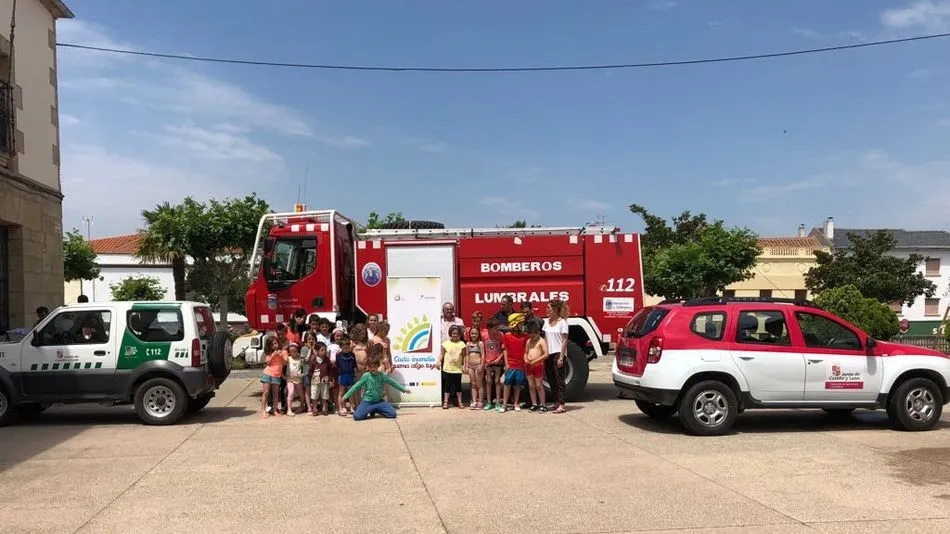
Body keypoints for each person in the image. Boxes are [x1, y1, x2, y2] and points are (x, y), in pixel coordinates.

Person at [342, 345, 411, 421]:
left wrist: (404, 390)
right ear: (368, 367)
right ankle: (370, 409)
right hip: (368, 401)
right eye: (371, 367)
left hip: (379, 401)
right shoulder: (366, 376)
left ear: (378, 366)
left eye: (374, 366)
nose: (372, 368)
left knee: (392, 414)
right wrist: (345, 397)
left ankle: (376, 409)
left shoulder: (382, 375)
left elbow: (393, 383)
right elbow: (356, 387)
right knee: (357, 417)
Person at [543, 299, 570, 413]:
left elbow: (564, 340)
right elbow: (545, 338)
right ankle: (556, 402)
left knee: (559, 380)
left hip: (558, 353)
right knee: (551, 379)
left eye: (549, 308)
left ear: (555, 309)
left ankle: (562, 405)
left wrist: (561, 357)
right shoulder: (546, 322)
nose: (547, 310)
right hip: (548, 353)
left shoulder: (562, 322)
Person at [499, 313, 528, 413]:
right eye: (520, 323)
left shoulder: (525, 336)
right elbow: (505, 350)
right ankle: (504, 404)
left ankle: (516, 403)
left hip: (520, 364)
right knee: (507, 383)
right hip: (510, 364)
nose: (522, 325)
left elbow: (526, 350)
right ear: (515, 324)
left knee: (518, 384)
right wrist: (506, 363)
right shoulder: (507, 336)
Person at [524, 321, 549, 412]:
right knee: (531, 385)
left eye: (533, 336)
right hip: (529, 365)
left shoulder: (541, 341)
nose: (532, 338)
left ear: (538, 332)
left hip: (538, 365)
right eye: (530, 336)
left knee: (539, 385)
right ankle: (534, 403)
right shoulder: (528, 341)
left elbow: (546, 354)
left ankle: (542, 404)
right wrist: (526, 359)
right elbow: (526, 352)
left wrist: (535, 361)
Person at [438, 325, 466, 409]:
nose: (455, 335)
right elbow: (442, 354)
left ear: (459, 334)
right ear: (450, 334)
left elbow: (464, 356)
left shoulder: (462, 344)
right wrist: (438, 361)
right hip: (447, 369)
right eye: (453, 333)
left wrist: (464, 365)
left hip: (457, 369)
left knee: (458, 386)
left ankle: (460, 402)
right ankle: (446, 401)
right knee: (447, 386)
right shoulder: (445, 344)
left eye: (457, 333)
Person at [482, 318, 505, 411]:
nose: (497, 329)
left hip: (497, 361)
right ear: (489, 328)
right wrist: (484, 362)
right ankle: (489, 401)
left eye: (497, 327)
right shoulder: (484, 335)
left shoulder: (500, 335)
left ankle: (498, 402)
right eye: (495, 328)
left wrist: (499, 359)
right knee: (488, 381)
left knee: (497, 381)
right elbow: (482, 349)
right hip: (488, 361)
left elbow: (503, 349)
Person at [260, 336, 286, 418]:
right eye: (272, 344)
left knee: (276, 394)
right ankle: (263, 411)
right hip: (267, 374)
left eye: (275, 343)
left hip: (277, 375)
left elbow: (284, 363)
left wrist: (280, 355)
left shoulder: (284, 352)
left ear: (278, 343)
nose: (274, 345)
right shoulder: (269, 353)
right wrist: (273, 355)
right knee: (266, 392)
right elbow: (268, 363)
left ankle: (275, 410)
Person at [285, 343, 311, 416]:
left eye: (294, 351)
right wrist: (283, 375)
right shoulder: (288, 358)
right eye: (291, 351)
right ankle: (289, 409)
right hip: (290, 379)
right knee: (291, 392)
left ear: (298, 351)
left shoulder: (301, 359)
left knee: (301, 394)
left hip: (298, 379)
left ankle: (302, 406)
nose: (293, 353)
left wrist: (300, 374)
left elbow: (302, 369)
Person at [335, 338, 358, 416]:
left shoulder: (352, 354)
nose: (347, 349)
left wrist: (354, 374)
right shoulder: (338, 355)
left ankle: (351, 407)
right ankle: (341, 408)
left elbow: (355, 365)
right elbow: (337, 367)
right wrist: (338, 376)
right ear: (340, 347)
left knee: (351, 392)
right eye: (345, 348)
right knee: (341, 392)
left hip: (350, 375)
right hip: (342, 375)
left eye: (348, 348)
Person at [308, 341, 331, 416]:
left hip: (324, 381)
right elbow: (310, 371)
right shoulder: (313, 360)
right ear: (317, 351)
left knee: (324, 394)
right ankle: (314, 408)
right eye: (322, 350)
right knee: (314, 395)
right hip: (315, 381)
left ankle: (324, 408)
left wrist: (329, 378)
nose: (324, 352)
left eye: (325, 350)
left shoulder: (327, 360)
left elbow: (330, 369)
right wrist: (312, 379)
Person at [465, 326, 485, 410]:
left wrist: (482, 365)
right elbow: (466, 355)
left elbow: (483, 355)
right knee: (473, 384)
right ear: (470, 334)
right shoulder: (468, 344)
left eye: (476, 333)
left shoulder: (480, 343)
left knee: (479, 384)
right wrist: (466, 366)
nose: (474, 335)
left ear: (478, 334)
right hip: (470, 366)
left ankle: (480, 401)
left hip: (478, 366)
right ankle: (474, 401)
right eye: (472, 333)